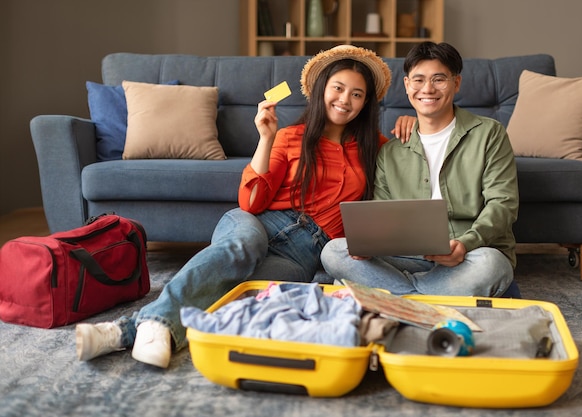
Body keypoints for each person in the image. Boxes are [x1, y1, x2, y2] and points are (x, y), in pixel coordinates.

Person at [74, 45, 391, 369]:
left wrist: (412, 125)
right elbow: (251, 203)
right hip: (260, 221)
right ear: (322, 88)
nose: (345, 99)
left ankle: (123, 332)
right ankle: (145, 327)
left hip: (304, 253)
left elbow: (415, 156)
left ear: (366, 104)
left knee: (239, 292)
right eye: (338, 88)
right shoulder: (288, 136)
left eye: (357, 94)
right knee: (242, 247)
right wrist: (265, 138)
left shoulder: (374, 148)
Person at [320, 42, 519, 298]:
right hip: (405, 257)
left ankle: (393, 293)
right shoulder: (391, 151)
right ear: (406, 85)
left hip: (468, 255)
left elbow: (503, 204)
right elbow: (381, 215)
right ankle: (427, 294)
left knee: (493, 265)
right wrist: (372, 245)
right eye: (419, 80)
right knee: (334, 251)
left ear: (456, 83)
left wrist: (466, 243)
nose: (427, 89)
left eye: (439, 79)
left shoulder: (489, 134)